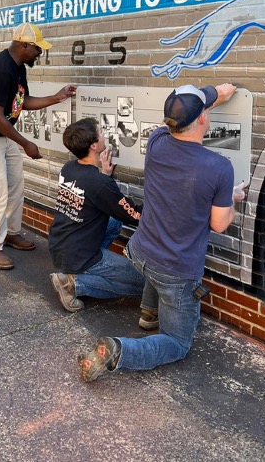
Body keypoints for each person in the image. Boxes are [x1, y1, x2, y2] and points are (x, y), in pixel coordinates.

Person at [78, 83, 247, 381]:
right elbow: (220, 223)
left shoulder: (156, 142)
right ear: (204, 119)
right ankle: (120, 351)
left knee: (155, 273)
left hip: (141, 251)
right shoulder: (219, 168)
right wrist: (229, 200)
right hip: (176, 269)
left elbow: (173, 123)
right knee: (177, 343)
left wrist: (209, 96)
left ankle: (148, 313)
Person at [0, 23, 76, 270]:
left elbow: (21, 103)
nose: (40, 53)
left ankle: (11, 233)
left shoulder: (18, 68)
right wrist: (25, 143)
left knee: (15, 185)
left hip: (2, 134)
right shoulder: (2, 70)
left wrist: (57, 97)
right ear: (24, 45)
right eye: (37, 48)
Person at [48, 117, 148, 313]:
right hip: (81, 255)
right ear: (94, 145)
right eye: (101, 133)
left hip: (60, 247)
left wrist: (105, 175)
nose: (105, 135)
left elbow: (92, 195)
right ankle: (74, 283)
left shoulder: (69, 168)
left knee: (113, 222)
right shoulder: (99, 183)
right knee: (146, 284)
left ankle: (73, 273)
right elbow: (134, 215)